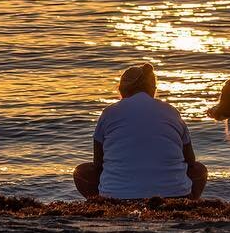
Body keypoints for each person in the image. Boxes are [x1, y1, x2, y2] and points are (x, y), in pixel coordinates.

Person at [73, 62, 207, 200]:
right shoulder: (172, 111)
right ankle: (189, 204)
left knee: (81, 172)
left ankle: (101, 201)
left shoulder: (109, 113)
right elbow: (190, 161)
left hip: (116, 198)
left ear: (123, 90)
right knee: (200, 170)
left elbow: (98, 164)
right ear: (152, 89)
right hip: (177, 196)